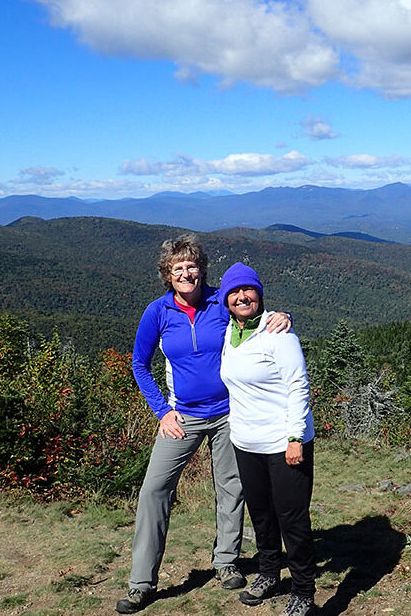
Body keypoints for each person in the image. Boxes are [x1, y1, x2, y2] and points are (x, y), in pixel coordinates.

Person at [116, 236, 292, 615]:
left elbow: (254, 317)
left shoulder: (220, 301)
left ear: (202, 269)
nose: (185, 272)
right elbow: (139, 365)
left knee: (231, 488)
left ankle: (226, 562)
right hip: (182, 417)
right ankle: (141, 582)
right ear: (167, 274)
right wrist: (162, 411)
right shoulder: (158, 312)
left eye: (191, 265)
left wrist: (285, 317)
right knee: (154, 490)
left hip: (230, 414)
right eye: (177, 267)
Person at [219, 262, 316, 616]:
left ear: (259, 295)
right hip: (246, 442)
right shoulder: (228, 332)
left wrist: (295, 438)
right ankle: (270, 574)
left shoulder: (279, 333)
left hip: (283, 442)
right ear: (225, 299)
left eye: (249, 290)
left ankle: (304, 591)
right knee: (261, 515)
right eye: (235, 292)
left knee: (293, 519)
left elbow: (297, 385)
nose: (242, 297)